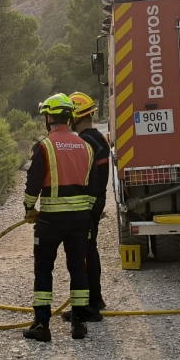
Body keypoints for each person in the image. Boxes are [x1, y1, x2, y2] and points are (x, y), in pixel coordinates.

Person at [22, 93, 95, 342]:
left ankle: (42, 325)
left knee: (44, 268)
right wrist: (86, 213)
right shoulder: (85, 146)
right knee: (78, 268)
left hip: (50, 221)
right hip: (80, 220)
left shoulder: (44, 146)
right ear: (70, 117)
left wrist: (29, 208)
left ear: (48, 118)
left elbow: (33, 183)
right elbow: (93, 187)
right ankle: (79, 323)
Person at [60, 91, 110, 323]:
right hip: (95, 203)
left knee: (83, 253)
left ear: (75, 117)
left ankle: (88, 307)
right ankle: (95, 299)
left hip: (87, 206)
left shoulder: (85, 142)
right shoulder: (98, 138)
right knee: (90, 250)